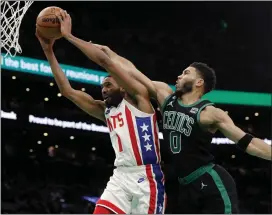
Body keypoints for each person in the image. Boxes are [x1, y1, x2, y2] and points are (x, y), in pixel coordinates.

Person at [58, 22, 272, 213]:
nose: (180, 75)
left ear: (199, 83)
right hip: (183, 186)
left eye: (187, 73)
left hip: (211, 180)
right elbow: (127, 68)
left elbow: (247, 142)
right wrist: (105, 51)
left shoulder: (210, 113)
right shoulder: (164, 96)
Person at [35, 11, 166, 215]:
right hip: (120, 178)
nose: (103, 89)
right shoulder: (106, 111)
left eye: (108, 84)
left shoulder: (141, 101)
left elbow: (106, 62)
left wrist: (68, 36)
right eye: (102, 86)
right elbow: (67, 91)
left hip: (147, 177)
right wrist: (48, 51)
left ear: (123, 87)